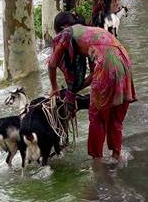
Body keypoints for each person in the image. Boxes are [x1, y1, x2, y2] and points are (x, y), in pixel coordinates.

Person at [49, 12, 136, 161]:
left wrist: (54, 88)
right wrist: (73, 91)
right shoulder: (90, 32)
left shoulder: (66, 33)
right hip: (124, 60)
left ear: (63, 27)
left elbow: (52, 64)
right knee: (115, 114)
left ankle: (97, 161)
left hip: (106, 63)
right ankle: (116, 155)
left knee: (97, 116)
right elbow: (92, 76)